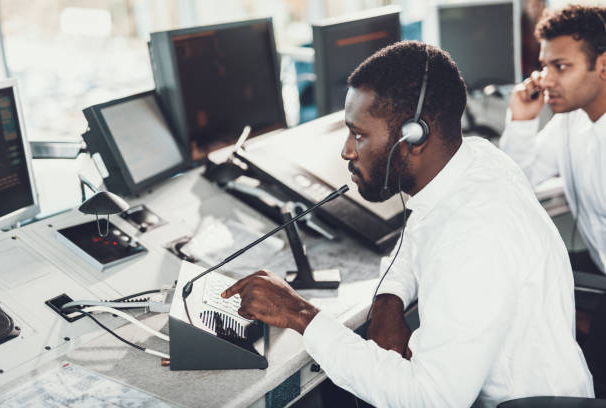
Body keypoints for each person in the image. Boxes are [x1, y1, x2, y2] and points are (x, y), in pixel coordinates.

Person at [223, 41, 593, 407]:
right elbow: (418, 233)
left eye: (359, 134)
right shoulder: (475, 159)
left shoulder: (474, 236)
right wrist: (389, 299)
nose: (347, 151)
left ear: (415, 136)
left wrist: (300, 315)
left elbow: (429, 399)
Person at [499, 4, 606, 397]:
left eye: (561, 67)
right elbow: (510, 185)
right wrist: (523, 122)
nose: (546, 80)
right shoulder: (569, 121)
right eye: (544, 66)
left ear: (604, 66)